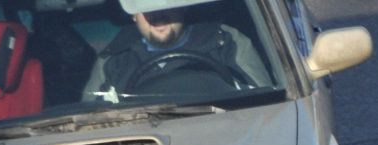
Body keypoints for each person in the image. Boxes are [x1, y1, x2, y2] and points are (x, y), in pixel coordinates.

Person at [87, 2, 272, 102]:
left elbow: (267, 105)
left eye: (166, 5)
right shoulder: (113, 60)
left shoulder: (225, 42)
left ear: (183, 6)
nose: (158, 16)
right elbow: (88, 123)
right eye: (146, 7)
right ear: (134, 15)